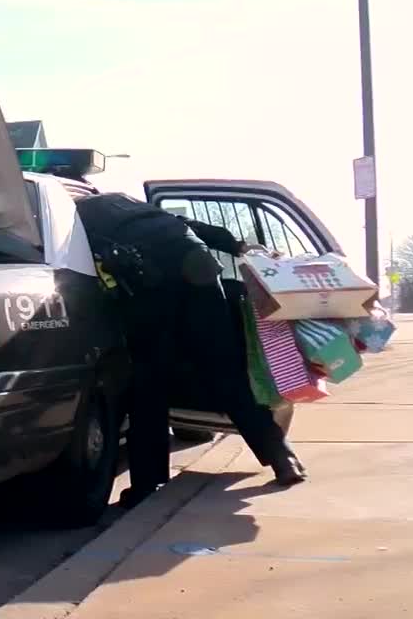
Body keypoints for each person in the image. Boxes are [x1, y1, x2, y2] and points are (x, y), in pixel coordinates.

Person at [75, 192, 306, 510]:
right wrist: (239, 246)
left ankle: (148, 483)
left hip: (150, 280)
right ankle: (283, 458)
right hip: (197, 264)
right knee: (225, 368)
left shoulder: (72, 218)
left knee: (148, 382)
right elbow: (190, 225)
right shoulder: (128, 205)